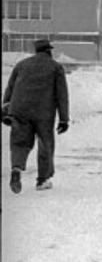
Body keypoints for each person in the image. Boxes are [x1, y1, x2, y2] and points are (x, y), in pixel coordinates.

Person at [2, 39, 70, 193]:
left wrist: (6, 108)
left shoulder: (21, 65)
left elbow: (10, 88)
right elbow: (62, 95)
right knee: (45, 144)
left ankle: (16, 169)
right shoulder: (55, 67)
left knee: (19, 143)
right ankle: (42, 180)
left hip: (20, 110)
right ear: (49, 51)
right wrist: (64, 119)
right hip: (43, 112)